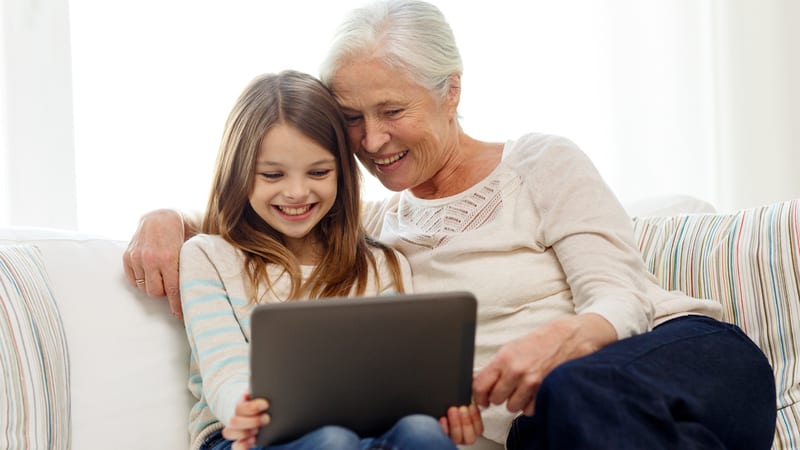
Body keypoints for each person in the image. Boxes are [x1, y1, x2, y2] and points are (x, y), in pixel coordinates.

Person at [124, 1, 777, 449]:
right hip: (557, 429)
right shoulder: (375, 233)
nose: (372, 138)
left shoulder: (538, 162)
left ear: (451, 93)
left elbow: (622, 295)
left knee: (575, 390)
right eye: (351, 117)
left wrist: (566, 338)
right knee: (553, 420)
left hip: (683, 364)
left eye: (392, 109)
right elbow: (276, 213)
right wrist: (169, 220)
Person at [176, 69, 481, 450]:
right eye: (272, 174)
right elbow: (224, 366)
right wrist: (244, 407)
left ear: (342, 173)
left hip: (363, 433)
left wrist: (443, 410)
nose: (297, 192)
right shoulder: (208, 257)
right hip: (240, 436)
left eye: (319, 172)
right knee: (333, 443)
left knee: (420, 432)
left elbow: (395, 374)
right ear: (239, 174)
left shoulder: (381, 265)